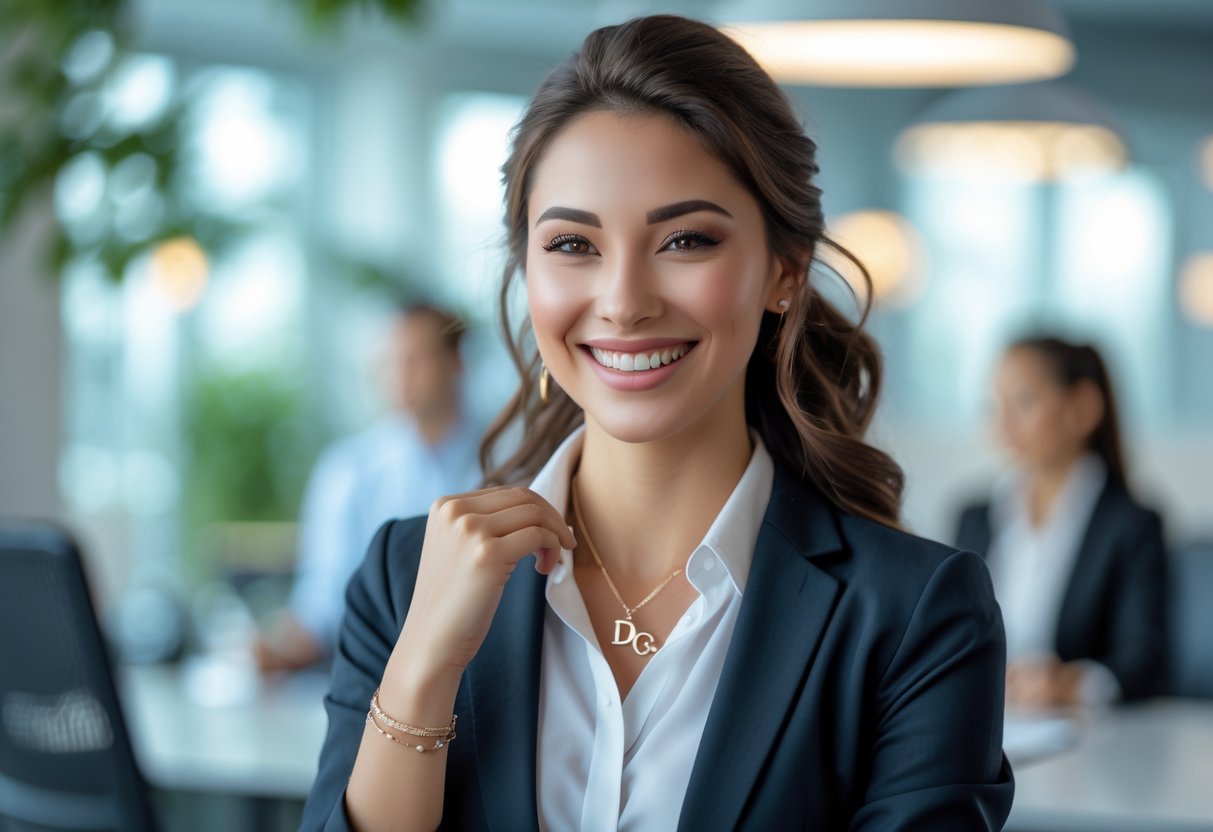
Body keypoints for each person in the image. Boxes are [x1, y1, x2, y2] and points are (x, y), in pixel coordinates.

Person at [302, 15, 1013, 831]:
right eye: (572, 243)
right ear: (525, 271)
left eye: (684, 239)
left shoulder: (914, 615)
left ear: (783, 270)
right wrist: (421, 669)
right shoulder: (405, 576)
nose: (623, 302)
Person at [254, 303, 483, 672]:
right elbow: (325, 598)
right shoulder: (348, 470)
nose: (400, 377)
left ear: (456, 361)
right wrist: (282, 649)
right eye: (390, 363)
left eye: (415, 360)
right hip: (374, 674)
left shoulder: (510, 458)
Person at [955, 336, 1168, 709]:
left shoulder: (1132, 525)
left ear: (1083, 408)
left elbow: (1143, 661)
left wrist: (1072, 684)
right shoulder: (975, 517)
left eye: (1023, 402)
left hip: (1082, 738)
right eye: (994, 407)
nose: (1003, 424)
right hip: (986, 723)